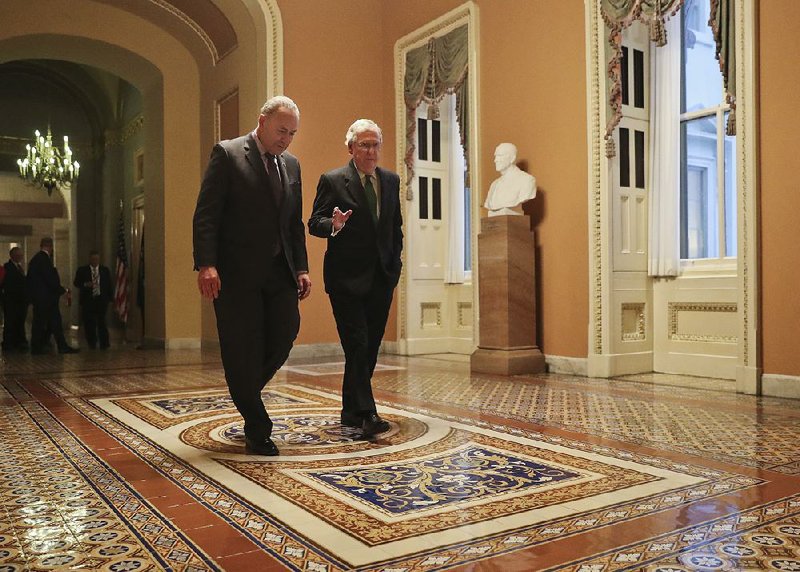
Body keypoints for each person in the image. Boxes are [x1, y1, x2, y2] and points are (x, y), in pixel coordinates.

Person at [193, 95, 311, 456]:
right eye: (281, 131)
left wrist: (302, 268)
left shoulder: (291, 165)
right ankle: (257, 426)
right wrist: (206, 264)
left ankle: (243, 388)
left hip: (279, 272)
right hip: (235, 275)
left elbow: (293, 224)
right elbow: (207, 214)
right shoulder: (228, 155)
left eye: (292, 134)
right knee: (241, 346)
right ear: (262, 122)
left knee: (286, 330)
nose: (286, 139)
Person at [308, 119, 403, 438]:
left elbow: (395, 227)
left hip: (381, 277)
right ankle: (368, 412)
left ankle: (350, 411)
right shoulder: (333, 180)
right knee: (357, 343)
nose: (371, 150)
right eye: (364, 144)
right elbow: (314, 222)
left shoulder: (390, 180)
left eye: (376, 144)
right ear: (350, 148)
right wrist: (333, 226)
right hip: (345, 279)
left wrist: (395, 265)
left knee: (369, 346)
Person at [27, 237, 78, 354]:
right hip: (46, 299)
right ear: (49, 246)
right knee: (46, 323)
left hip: (42, 299)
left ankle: (48, 346)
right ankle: (41, 347)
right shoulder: (44, 260)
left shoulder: (36, 259)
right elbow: (50, 279)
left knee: (51, 323)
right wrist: (63, 290)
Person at [73, 250, 113, 349]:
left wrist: (110, 299)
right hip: (88, 300)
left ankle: (104, 343)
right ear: (90, 259)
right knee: (89, 323)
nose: (95, 261)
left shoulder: (105, 270)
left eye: (97, 259)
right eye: (93, 259)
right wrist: (86, 284)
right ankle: (92, 342)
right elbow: (76, 283)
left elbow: (109, 285)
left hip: (101, 300)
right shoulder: (82, 270)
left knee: (102, 322)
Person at [483, 142, 536, 216]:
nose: (495, 160)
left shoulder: (527, 180)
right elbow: (488, 204)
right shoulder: (494, 184)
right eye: (495, 156)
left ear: (512, 158)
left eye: (500, 156)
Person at [1, 247, 29, 352]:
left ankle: (18, 342)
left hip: (20, 301)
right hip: (11, 301)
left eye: (21, 255)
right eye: (19, 255)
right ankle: (8, 344)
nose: (21, 257)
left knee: (19, 322)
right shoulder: (8, 267)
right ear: (13, 256)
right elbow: (9, 285)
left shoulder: (19, 267)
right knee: (10, 322)